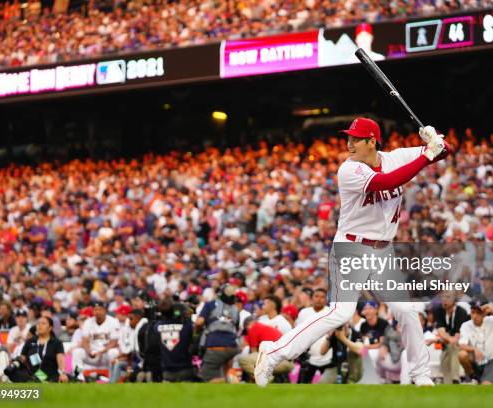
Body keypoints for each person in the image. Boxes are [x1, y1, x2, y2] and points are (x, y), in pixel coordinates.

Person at [254, 118, 451, 387]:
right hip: (351, 247)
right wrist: (427, 154)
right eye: (349, 137)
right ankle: (274, 353)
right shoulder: (349, 169)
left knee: (406, 310)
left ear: (372, 141)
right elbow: (386, 181)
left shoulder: (395, 157)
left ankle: (421, 375)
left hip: (383, 251)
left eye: (356, 138)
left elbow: (445, 149)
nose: (349, 143)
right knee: (341, 313)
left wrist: (434, 140)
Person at [458, 302, 493, 384]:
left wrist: (492, 310)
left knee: (486, 385)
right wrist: (474, 349)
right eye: (473, 312)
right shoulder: (466, 325)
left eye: (478, 313)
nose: (475, 316)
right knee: (462, 354)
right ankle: (473, 378)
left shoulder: (492, 321)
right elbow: (461, 345)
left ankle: (486, 380)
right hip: (476, 363)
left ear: (484, 314)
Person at [195, 284, 240, 382]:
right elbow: (235, 329)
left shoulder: (210, 304)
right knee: (225, 365)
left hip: (215, 346)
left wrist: (197, 332)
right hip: (232, 348)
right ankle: (229, 377)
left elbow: (199, 322)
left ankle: (229, 379)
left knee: (205, 378)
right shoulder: (236, 310)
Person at [72, 301, 121, 373]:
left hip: (105, 354)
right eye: (95, 310)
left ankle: (112, 378)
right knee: (77, 352)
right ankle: (78, 377)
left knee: (113, 352)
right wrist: (89, 351)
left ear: (105, 310)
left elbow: (114, 342)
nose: (97, 312)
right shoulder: (88, 322)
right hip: (92, 354)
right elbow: (84, 340)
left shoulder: (113, 322)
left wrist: (102, 351)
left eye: (100, 309)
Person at [155, 299, 196, 382]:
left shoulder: (157, 327)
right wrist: (187, 314)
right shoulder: (186, 326)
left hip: (167, 372)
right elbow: (194, 335)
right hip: (185, 369)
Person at [434, 291, 470, 384]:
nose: (444, 300)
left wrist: (448, 339)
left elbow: (460, 334)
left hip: (463, 343)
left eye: (448, 297)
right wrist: (449, 339)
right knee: (449, 347)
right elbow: (441, 331)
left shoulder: (461, 312)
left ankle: (448, 377)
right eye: (443, 297)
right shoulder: (439, 311)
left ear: (454, 300)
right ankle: (452, 379)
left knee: (452, 347)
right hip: (448, 343)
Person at [19, 316, 68, 382]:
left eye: (43, 323)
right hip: (33, 374)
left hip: (50, 375)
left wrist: (63, 373)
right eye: (38, 323)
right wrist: (17, 361)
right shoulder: (30, 341)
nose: (40, 325)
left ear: (50, 328)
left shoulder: (56, 343)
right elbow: (23, 358)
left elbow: (60, 360)